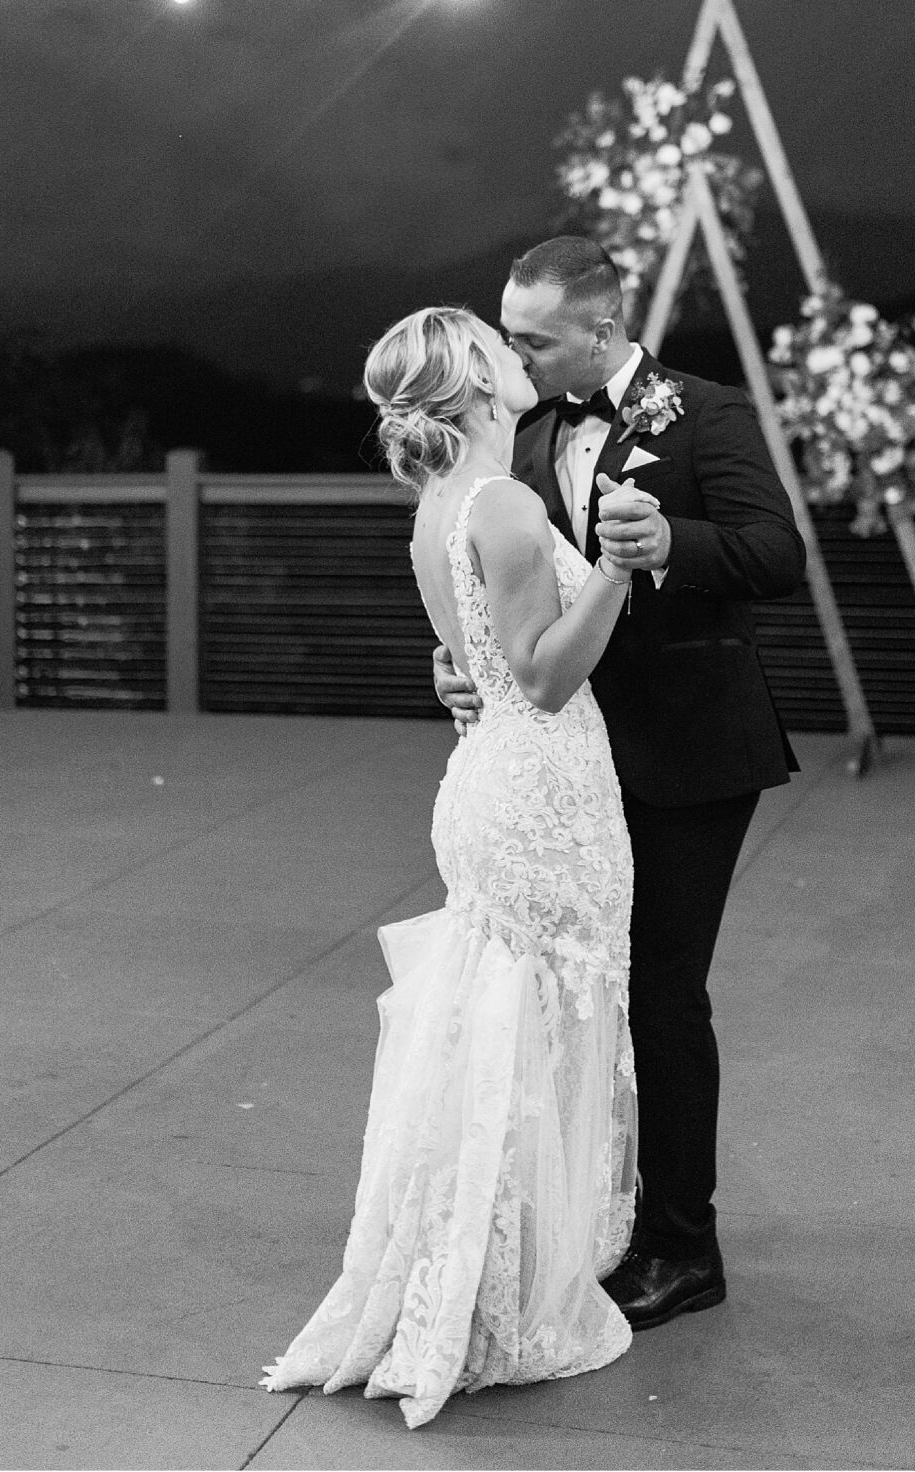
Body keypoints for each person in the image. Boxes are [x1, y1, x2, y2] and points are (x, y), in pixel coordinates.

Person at [262, 306, 641, 1429]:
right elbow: (542, 675)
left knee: (493, 1033)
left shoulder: (440, 503)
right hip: (538, 788)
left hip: (485, 780)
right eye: (499, 348)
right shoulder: (509, 499)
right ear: (473, 384)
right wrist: (617, 570)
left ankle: (459, 1271)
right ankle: (503, 1295)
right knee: (539, 1031)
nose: (517, 360)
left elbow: (469, 654)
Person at [435, 236, 806, 1331]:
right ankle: (604, 1211)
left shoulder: (710, 411)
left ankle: (685, 1246)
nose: (513, 350)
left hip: (693, 747)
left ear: (602, 328)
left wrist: (672, 541)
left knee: (661, 989)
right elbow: (508, 588)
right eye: (508, 331)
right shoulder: (532, 427)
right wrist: (469, 662)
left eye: (534, 336)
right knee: (585, 989)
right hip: (575, 757)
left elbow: (776, 553)